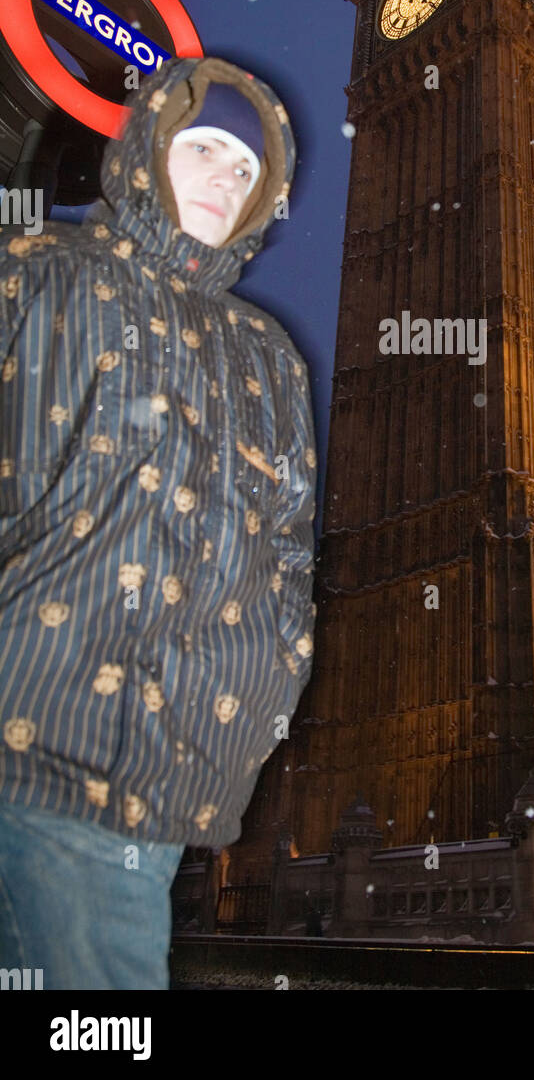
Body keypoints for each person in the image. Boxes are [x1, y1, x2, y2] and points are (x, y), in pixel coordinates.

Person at [0, 55, 316, 989]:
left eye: (248, 171)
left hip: (167, 784)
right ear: (146, 145)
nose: (228, 176)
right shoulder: (41, 274)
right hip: (42, 735)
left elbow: (289, 562)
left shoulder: (268, 358)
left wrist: (253, 713)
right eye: (209, 147)